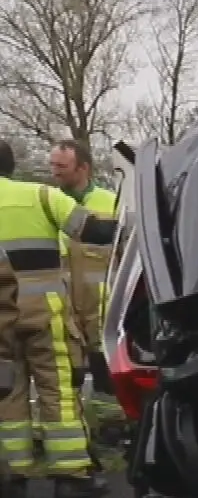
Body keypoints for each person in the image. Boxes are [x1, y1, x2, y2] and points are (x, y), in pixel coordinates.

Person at [0, 139, 120, 498]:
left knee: (7, 393)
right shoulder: (40, 196)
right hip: (44, 314)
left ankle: (12, 479)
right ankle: (71, 476)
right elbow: (96, 232)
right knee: (58, 391)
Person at [48, 138, 118, 388]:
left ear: (83, 168)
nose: (54, 172)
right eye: (52, 165)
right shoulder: (49, 203)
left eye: (61, 166)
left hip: (102, 314)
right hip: (64, 313)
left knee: (107, 383)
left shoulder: (112, 202)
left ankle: (108, 411)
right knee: (67, 384)